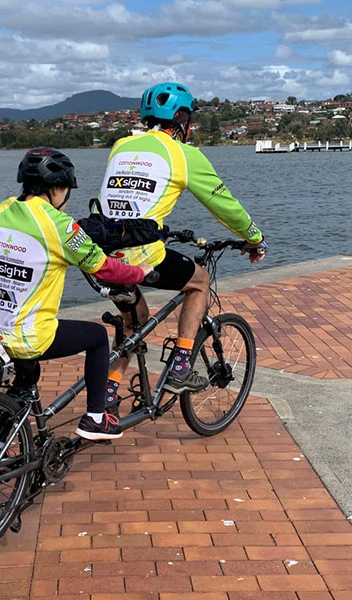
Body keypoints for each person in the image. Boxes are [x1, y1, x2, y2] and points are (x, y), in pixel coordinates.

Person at [98, 82, 267, 406]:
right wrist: (254, 238)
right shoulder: (183, 154)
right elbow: (224, 205)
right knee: (199, 281)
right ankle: (180, 366)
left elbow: (131, 200)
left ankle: (107, 395)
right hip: (140, 255)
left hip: (102, 254)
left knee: (135, 322)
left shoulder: (121, 146)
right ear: (181, 119)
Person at [0, 147, 153, 441]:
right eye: (66, 190)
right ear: (58, 188)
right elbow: (104, 268)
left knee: (25, 380)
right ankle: (96, 419)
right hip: (29, 335)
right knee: (98, 337)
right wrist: (140, 272)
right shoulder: (58, 224)